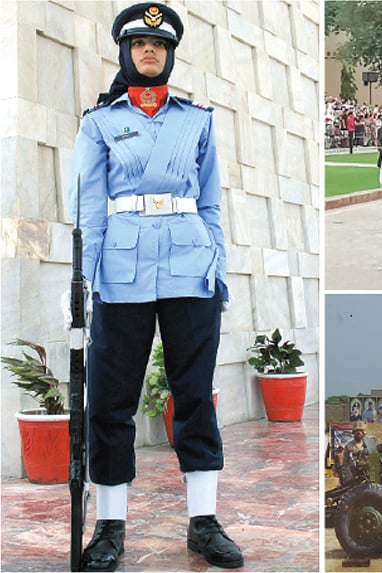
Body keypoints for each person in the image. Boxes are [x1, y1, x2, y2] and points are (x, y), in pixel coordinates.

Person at [66, 4, 241, 570]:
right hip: (120, 274)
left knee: (195, 396)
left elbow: (211, 201)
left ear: (169, 54)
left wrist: (219, 269)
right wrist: (83, 282)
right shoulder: (98, 123)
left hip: (191, 268)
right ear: (125, 51)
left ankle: (204, 522)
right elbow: (90, 211)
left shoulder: (198, 119)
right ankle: (110, 526)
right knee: (111, 402)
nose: (149, 52)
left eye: (159, 45)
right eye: (140, 43)